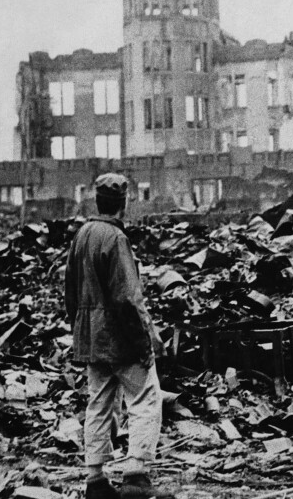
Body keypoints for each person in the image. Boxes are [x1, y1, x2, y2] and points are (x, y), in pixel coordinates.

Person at [65, 173, 173, 499]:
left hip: (91, 339)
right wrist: (145, 344)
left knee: (98, 403)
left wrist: (81, 329)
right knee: (145, 398)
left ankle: (95, 479)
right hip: (119, 339)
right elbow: (128, 299)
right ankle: (136, 476)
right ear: (123, 204)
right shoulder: (115, 239)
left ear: (97, 201)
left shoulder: (82, 236)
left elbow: (70, 292)